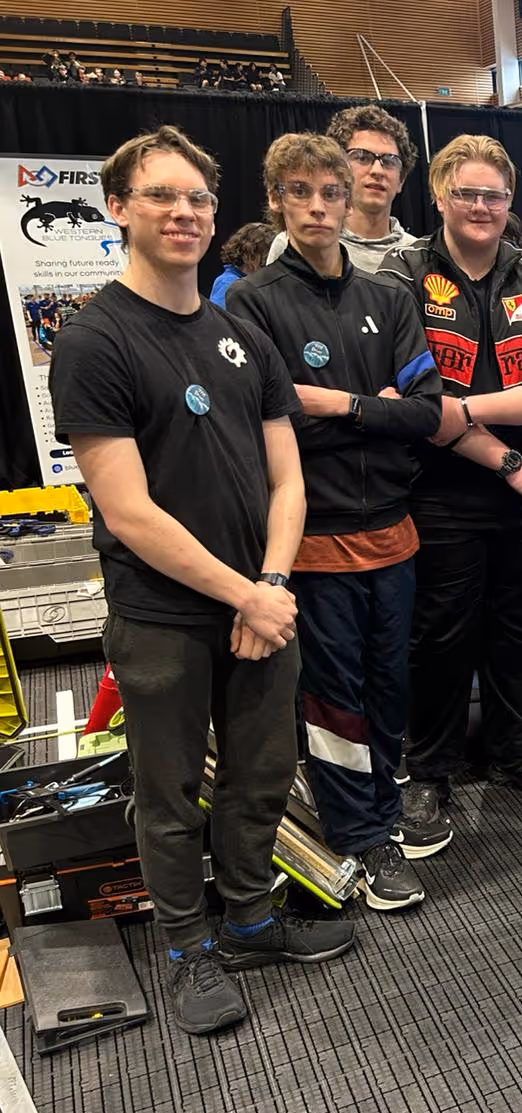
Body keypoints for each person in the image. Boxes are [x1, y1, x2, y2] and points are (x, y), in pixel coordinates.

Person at [49, 126, 355, 1036]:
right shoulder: (95, 339)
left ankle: (253, 920)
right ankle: (188, 950)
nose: (182, 213)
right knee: (171, 791)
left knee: (263, 774)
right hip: (164, 618)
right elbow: (130, 512)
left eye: (197, 200)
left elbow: (288, 480)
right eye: (160, 197)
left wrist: (269, 585)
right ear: (118, 209)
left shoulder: (237, 335)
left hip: (260, 605)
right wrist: (246, 596)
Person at [227, 134, 450, 909]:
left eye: (331, 191)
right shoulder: (251, 303)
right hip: (311, 536)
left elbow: (424, 413)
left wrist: (333, 404)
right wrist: (370, 410)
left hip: (393, 532)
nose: (318, 206)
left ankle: (376, 809)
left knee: (390, 691)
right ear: (276, 201)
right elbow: (262, 424)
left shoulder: (388, 299)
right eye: (300, 192)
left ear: (350, 196)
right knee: (334, 701)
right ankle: (364, 838)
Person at [378, 134, 522, 812]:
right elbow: (409, 401)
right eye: (466, 193)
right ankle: (431, 766)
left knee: (515, 625)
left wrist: (458, 407)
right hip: (439, 489)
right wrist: (493, 446)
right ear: (439, 197)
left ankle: (511, 747)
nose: (480, 206)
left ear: (509, 202)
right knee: (440, 632)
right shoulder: (401, 277)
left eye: (493, 195)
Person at [268, 105, 420, 273]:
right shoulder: (295, 244)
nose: (377, 170)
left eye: (389, 160)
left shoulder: (418, 254)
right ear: (338, 169)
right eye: (362, 157)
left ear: (401, 180)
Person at [209, 221, 275, 307]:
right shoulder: (227, 283)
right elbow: (218, 318)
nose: (268, 263)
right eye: (265, 258)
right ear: (247, 256)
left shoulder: (257, 283)